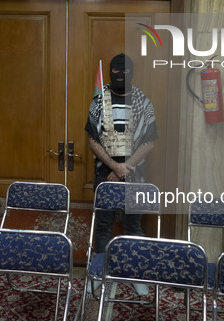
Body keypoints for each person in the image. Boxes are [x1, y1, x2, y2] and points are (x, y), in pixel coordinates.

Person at [85, 53, 158, 296]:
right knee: (103, 225)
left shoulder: (142, 100)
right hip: (104, 174)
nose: (120, 75)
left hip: (134, 174)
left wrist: (125, 167)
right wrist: (114, 167)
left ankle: (136, 274)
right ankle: (101, 273)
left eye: (125, 71)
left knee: (133, 226)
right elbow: (92, 140)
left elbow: (149, 141)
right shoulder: (99, 100)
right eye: (115, 70)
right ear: (109, 71)